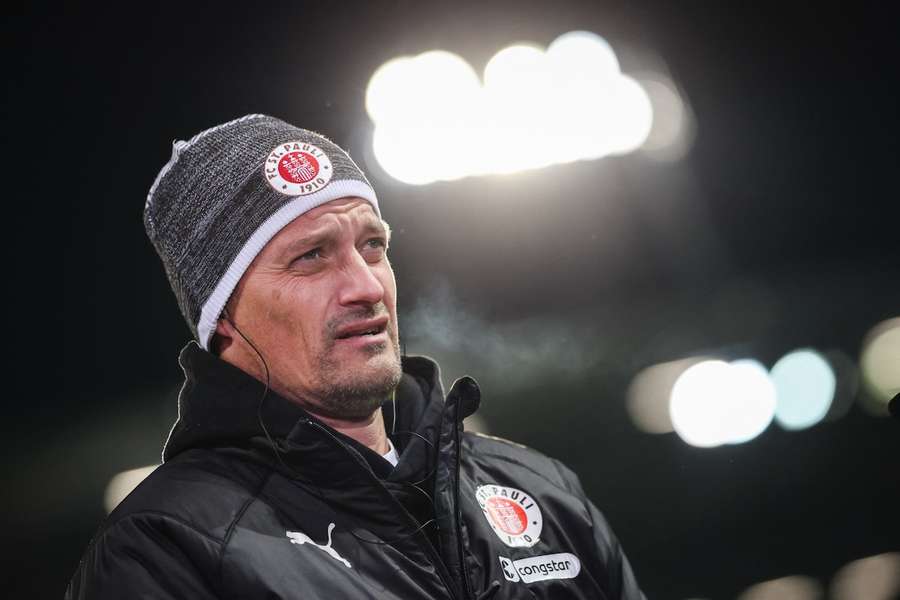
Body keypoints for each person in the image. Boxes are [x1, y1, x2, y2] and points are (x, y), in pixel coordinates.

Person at [65, 114, 645, 599]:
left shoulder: (540, 489)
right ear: (223, 318)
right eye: (311, 257)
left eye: (372, 245)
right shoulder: (165, 551)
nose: (366, 286)